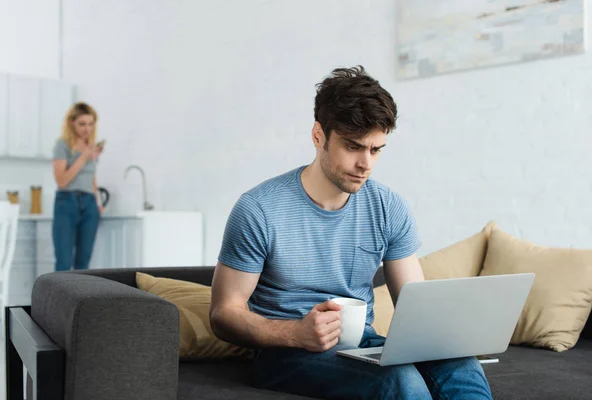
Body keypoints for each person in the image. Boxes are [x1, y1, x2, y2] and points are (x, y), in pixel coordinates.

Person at [209, 66, 493, 400]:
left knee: (461, 366)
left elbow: (416, 304)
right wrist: (296, 333)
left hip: (362, 343)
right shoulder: (259, 209)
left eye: (376, 150)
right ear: (318, 136)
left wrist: (456, 335)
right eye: (354, 147)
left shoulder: (389, 207)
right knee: (398, 380)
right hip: (285, 354)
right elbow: (223, 314)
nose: (366, 164)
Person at [51, 102, 104, 271]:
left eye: (90, 124)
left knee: (83, 264)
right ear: (71, 122)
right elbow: (62, 181)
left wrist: (97, 202)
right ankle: (59, 298)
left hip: (89, 204)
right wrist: (83, 158)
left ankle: (81, 298)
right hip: (67, 202)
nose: (86, 129)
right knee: (64, 263)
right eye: (82, 124)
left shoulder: (91, 147)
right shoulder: (63, 144)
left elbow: (91, 178)